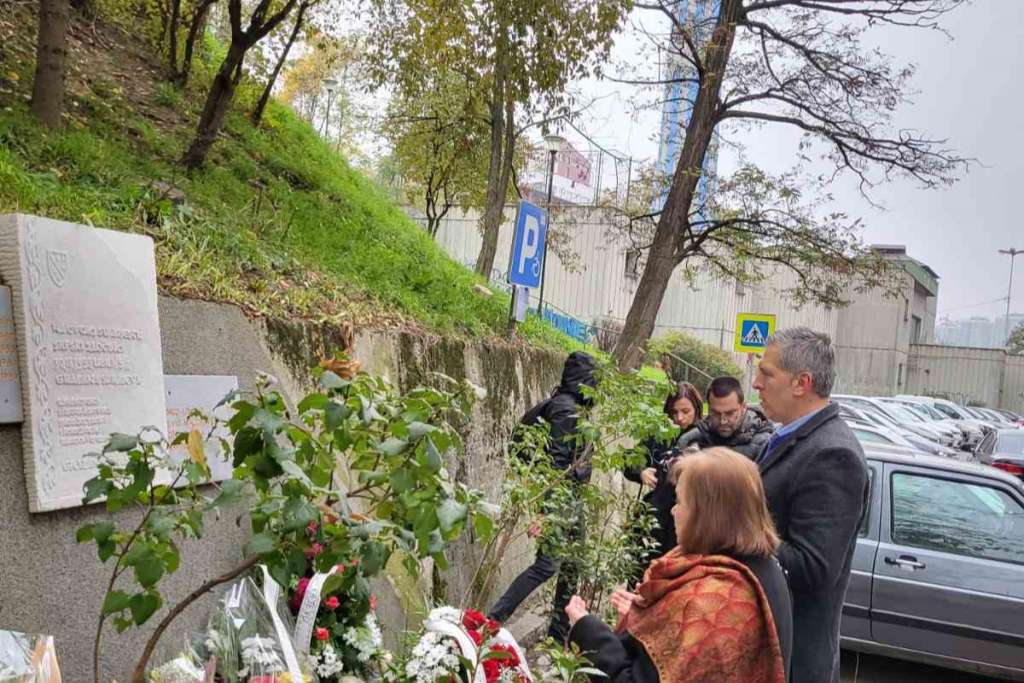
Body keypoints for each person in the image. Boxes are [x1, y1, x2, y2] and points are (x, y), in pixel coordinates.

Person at [565, 448, 792, 683]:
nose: (673, 510)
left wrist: (587, 630)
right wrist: (654, 617)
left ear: (708, 514)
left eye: (680, 501)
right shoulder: (762, 567)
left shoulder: (709, 603)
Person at [752, 327, 868, 683]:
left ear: (801, 383)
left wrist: (737, 530)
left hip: (791, 659)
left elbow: (812, 569)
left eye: (766, 374)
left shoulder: (833, 454)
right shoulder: (788, 436)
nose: (756, 383)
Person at [488, 351, 598, 642]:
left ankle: (558, 634)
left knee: (574, 562)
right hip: (561, 498)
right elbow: (558, 465)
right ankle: (492, 620)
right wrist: (546, 513)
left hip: (572, 498)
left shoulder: (570, 406)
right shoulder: (566, 410)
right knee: (547, 566)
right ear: (584, 380)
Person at [623, 382, 703, 561]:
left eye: (685, 411)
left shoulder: (705, 437)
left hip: (687, 523)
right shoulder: (660, 434)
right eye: (674, 412)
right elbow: (630, 459)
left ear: (696, 409)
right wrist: (641, 471)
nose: (680, 418)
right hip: (655, 519)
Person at [676, 376, 774, 459]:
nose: (723, 421)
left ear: (743, 407)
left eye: (730, 413)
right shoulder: (689, 440)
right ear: (709, 409)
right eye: (716, 413)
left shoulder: (765, 445)